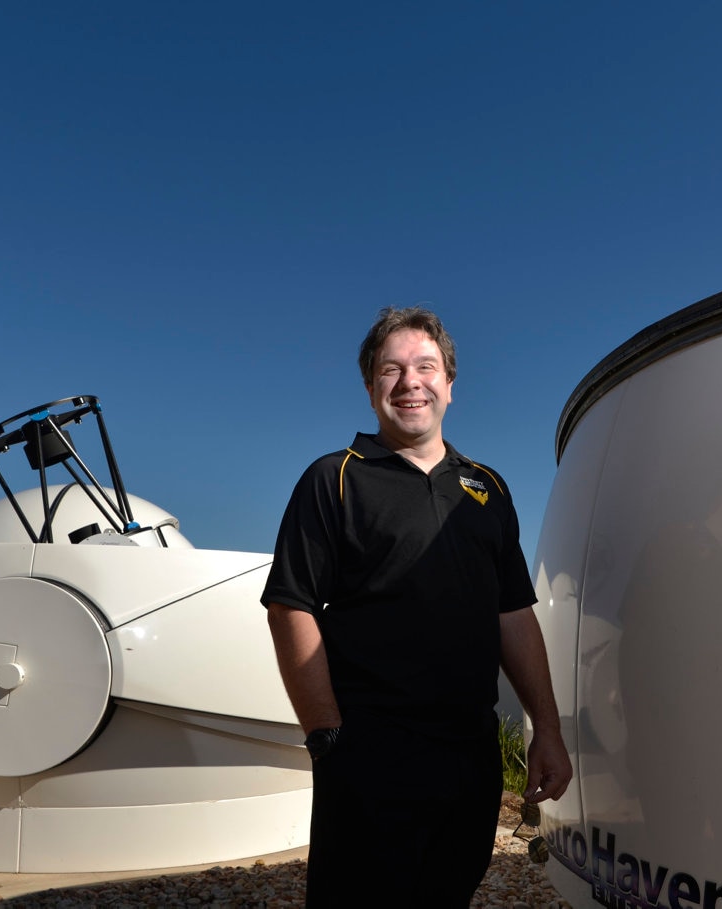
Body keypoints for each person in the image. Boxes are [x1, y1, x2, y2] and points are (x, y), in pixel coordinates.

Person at [261, 306, 573, 907]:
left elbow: (513, 615)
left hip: (469, 752)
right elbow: (290, 607)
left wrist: (548, 731)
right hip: (370, 751)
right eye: (391, 369)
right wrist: (327, 736)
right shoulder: (335, 479)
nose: (410, 383)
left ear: (449, 385)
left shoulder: (487, 488)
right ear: (371, 386)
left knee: (448, 892)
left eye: (425, 367)